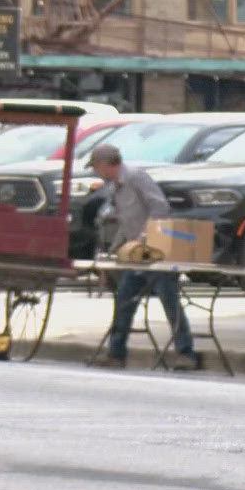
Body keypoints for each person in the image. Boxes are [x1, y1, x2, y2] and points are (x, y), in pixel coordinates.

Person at [89, 144, 202, 371]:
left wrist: (144, 236)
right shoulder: (115, 188)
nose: (96, 172)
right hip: (136, 255)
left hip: (155, 253)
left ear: (106, 164)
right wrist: (114, 251)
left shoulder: (135, 178)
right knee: (125, 301)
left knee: (169, 301)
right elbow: (124, 222)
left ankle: (185, 352)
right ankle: (116, 353)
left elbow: (160, 207)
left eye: (96, 167)